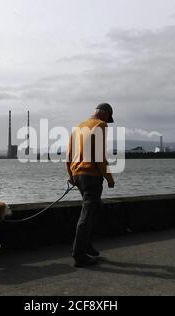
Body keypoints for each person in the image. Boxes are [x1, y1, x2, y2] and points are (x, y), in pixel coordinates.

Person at [66, 103, 115, 268]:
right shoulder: (101, 125)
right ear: (105, 114)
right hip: (92, 176)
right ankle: (79, 255)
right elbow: (99, 156)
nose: (108, 120)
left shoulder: (78, 126)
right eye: (109, 117)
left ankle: (86, 246)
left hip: (78, 175)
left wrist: (71, 175)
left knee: (95, 208)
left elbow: (68, 154)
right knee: (87, 215)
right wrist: (109, 178)